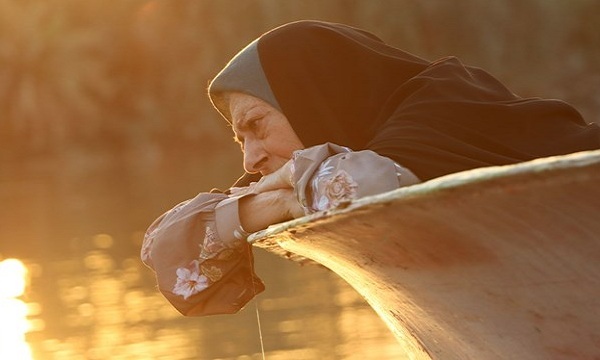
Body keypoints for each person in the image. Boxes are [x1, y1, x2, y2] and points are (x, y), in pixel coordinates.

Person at [141, 20, 600, 316]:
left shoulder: (447, 98)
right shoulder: (306, 172)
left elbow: (363, 188)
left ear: (315, 93)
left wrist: (283, 194)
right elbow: (164, 247)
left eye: (256, 126)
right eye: (240, 140)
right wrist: (275, 199)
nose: (249, 159)